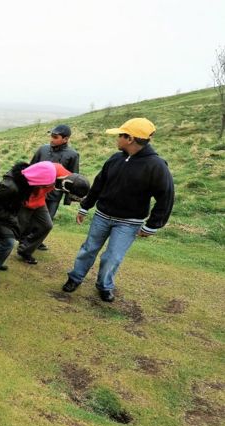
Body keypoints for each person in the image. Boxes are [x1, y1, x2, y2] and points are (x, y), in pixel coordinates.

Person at [62, 118, 174, 302]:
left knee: (112, 257)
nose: (117, 139)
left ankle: (104, 286)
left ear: (130, 139)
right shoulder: (115, 158)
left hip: (129, 222)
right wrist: (84, 207)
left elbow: (166, 196)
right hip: (102, 216)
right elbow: (98, 185)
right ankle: (75, 278)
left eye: (120, 136)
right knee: (88, 249)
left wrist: (152, 225)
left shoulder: (157, 166)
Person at [0, 162, 90, 286]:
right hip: (4, 212)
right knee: (10, 238)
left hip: (16, 209)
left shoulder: (62, 179)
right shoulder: (13, 187)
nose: (49, 188)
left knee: (13, 237)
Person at [30, 124, 80, 250]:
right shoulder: (42, 149)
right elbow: (31, 168)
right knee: (29, 217)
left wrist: (68, 199)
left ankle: (35, 243)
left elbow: (73, 178)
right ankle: (26, 242)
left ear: (65, 139)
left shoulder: (73, 154)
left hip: (54, 195)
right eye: (51, 136)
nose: (51, 139)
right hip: (35, 192)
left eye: (55, 137)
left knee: (47, 222)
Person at [16, 161, 67, 265]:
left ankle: (25, 250)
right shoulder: (42, 170)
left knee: (47, 225)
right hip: (25, 201)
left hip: (39, 201)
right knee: (16, 228)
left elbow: (70, 178)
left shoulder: (61, 171)